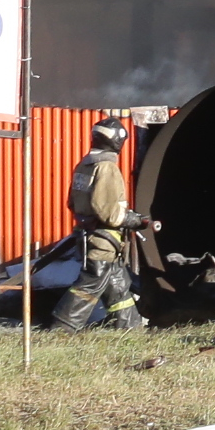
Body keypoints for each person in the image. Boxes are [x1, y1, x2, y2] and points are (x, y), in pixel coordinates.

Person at [57, 118, 142, 330]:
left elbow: (71, 202)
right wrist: (135, 220)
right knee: (90, 284)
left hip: (89, 236)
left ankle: (129, 327)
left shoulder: (85, 165)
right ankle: (62, 327)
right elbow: (111, 215)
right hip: (103, 240)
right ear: (116, 141)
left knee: (118, 286)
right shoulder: (107, 168)